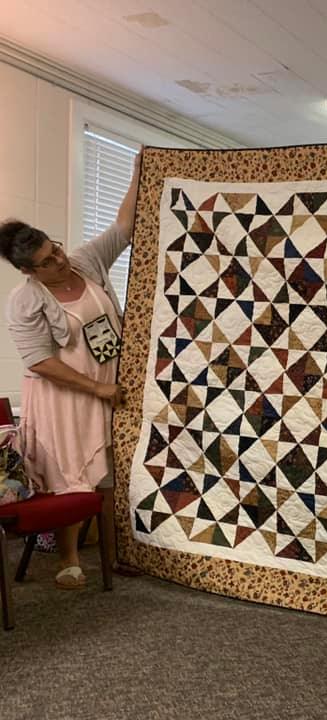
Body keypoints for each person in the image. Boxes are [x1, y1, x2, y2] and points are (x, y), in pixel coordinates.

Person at [1, 152, 141, 588]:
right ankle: (69, 560)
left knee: (110, 475)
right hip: (64, 397)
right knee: (71, 474)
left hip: (106, 386)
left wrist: (139, 173)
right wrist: (94, 389)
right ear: (28, 270)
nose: (59, 261)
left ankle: (116, 555)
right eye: (46, 261)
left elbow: (124, 228)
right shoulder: (25, 301)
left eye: (55, 249)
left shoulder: (85, 261)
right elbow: (40, 361)